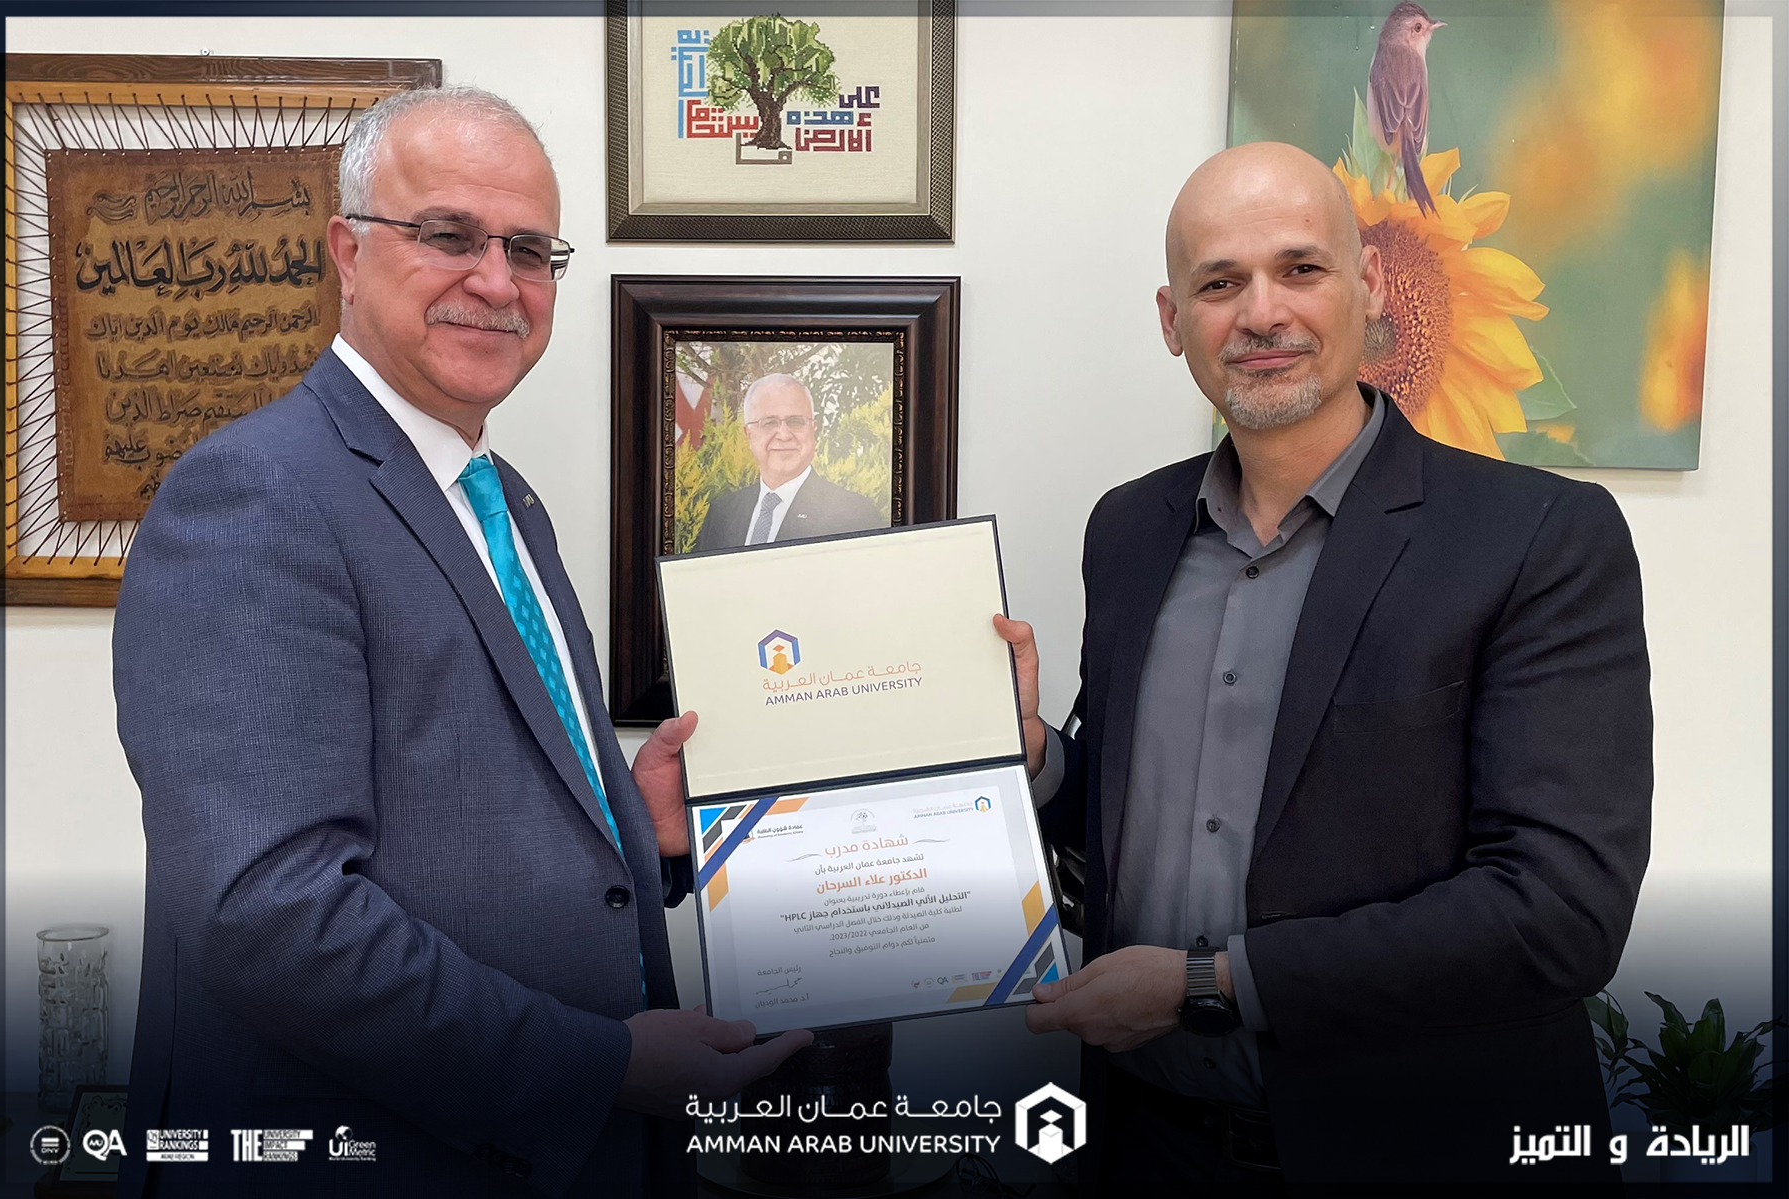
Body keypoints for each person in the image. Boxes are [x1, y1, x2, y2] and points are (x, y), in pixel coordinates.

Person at [111, 86, 810, 1199]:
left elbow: (470, 820)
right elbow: (269, 910)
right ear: (348, 252)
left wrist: (645, 835)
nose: (496, 281)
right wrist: (597, 1065)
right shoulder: (254, 493)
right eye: (448, 235)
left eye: (529, 250)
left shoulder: (501, 498)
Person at [995, 141, 1650, 1191]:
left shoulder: (1538, 537)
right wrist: (1040, 765)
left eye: (1300, 268)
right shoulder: (1128, 529)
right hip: (1149, 1149)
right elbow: (1140, 837)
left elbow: (1558, 912)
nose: (1262, 313)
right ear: (1172, 320)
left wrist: (1207, 982)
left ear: (1371, 283)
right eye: (1220, 283)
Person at [694, 373, 884, 550]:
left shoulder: (854, 514)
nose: (784, 435)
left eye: (796, 421)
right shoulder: (721, 513)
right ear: (749, 435)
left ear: (813, 429)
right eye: (769, 423)